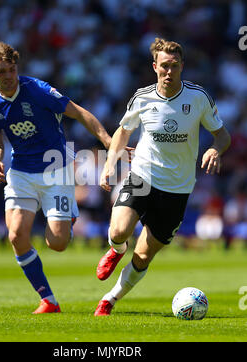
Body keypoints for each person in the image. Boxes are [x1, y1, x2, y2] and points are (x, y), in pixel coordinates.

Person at [94, 37, 231, 316]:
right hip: (142, 176)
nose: (169, 72)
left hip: (177, 189)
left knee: (143, 255)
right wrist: (109, 163)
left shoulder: (198, 98)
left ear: (182, 66)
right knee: (118, 231)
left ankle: (109, 300)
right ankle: (116, 250)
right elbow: (123, 131)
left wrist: (216, 150)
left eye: (175, 66)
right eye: (164, 66)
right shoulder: (142, 97)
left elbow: (222, 134)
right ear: (154, 66)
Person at [0, 41, 111, 314]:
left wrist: (109, 142)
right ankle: (48, 300)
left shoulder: (37, 90)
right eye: (1, 71)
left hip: (57, 170)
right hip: (22, 173)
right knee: (16, 234)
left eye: (12, 69)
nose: (8, 76)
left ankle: (68, 215)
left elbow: (79, 112)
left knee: (58, 244)